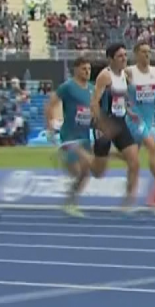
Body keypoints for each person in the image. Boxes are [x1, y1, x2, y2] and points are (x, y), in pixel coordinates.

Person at [91, 43, 143, 214]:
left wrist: (129, 111)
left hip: (120, 121)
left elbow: (120, 97)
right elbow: (94, 102)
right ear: (111, 59)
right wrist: (100, 123)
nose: (124, 59)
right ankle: (86, 159)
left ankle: (128, 202)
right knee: (98, 172)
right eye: (120, 56)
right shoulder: (104, 76)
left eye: (125, 55)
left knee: (134, 161)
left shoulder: (124, 75)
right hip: (105, 122)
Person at [45, 56, 97, 217]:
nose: (87, 72)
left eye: (89, 69)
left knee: (85, 173)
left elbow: (92, 110)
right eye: (84, 69)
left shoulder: (91, 88)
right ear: (76, 70)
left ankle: (70, 202)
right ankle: (70, 201)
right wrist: (50, 126)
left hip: (84, 135)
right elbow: (51, 104)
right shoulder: (67, 87)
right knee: (79, 170)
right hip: (70, 135)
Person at [126, 42, 155, 203]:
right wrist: (126, 109)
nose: (147, 55)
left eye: (149, 52)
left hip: (148, 120)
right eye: (143, 52)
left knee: (133, 162)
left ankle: (129, 198)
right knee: (152, 146)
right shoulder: (128, 72)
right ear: (136, 54)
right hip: (133, 119)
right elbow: (116, 93)